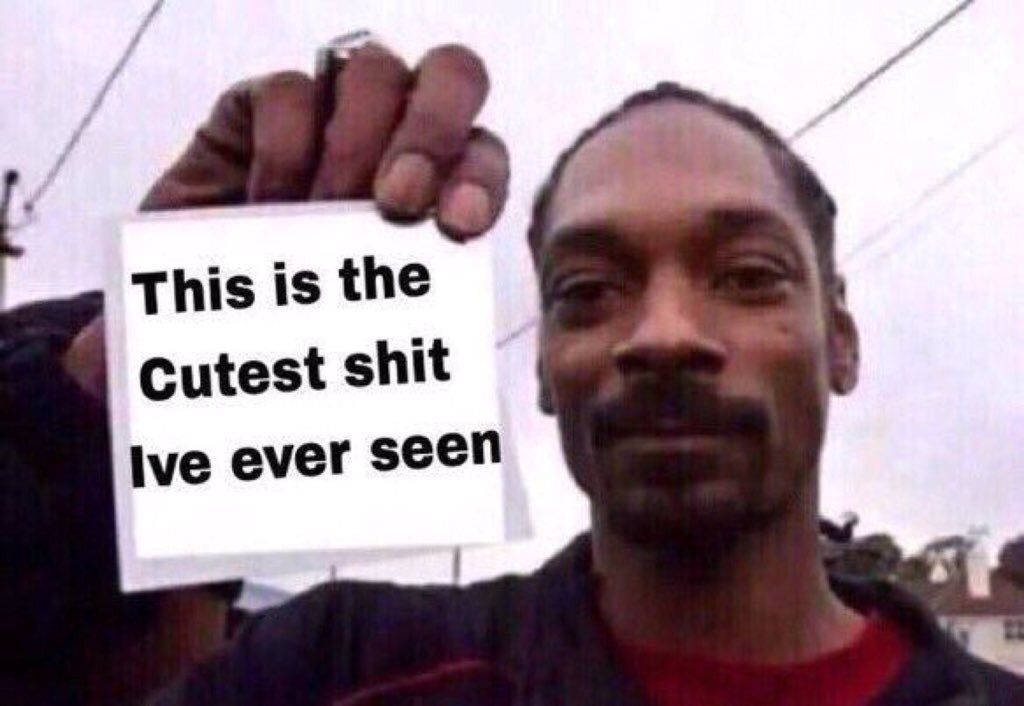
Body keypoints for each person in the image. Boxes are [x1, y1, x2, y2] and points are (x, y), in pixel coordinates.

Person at [2, 42, 1021, 706]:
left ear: (840, 339)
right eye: (589, 289)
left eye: (748, 275)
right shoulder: (339, 669)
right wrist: (95, 404)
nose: (663, 333)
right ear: (539, 367)